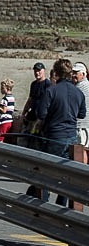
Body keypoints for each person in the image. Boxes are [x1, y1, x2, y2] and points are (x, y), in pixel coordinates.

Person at [36, 59, 86, 205]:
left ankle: (43, 205)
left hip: (53, 137)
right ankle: (62, 206)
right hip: (71, 138)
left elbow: (41, 114)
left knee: (46, 172)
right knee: (66, 175)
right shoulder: (78, 93)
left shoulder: (51, 91)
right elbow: (82, 114)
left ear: (56, 73)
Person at [20, 62, 51, 150]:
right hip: (32, 117)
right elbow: (30, 100)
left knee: (38, 142)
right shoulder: (33, 84)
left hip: (41, 119)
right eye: (35, 71)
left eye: (39, 70)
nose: (37, 73)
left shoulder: (48, 85)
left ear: (44, 71)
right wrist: (23, 114)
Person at [71, 62, 89, 148]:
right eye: (73, 73)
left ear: (83, 74)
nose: (73, 75)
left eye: (76, 73)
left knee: (80, 151)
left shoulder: (80, 87)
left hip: (82, 127)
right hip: (83, 126)